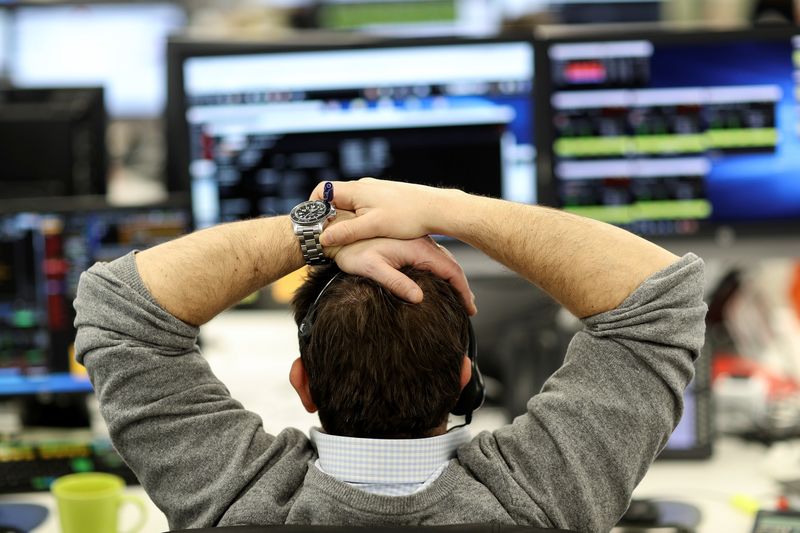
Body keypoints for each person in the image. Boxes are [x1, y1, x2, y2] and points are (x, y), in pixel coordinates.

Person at [73, 178, 707, 532]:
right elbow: (662, 297)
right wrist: (448, 208)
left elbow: (114, 304)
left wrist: (319, 233)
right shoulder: (542, 499)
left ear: (303, 384)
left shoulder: (237, 501)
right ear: (465, 379)